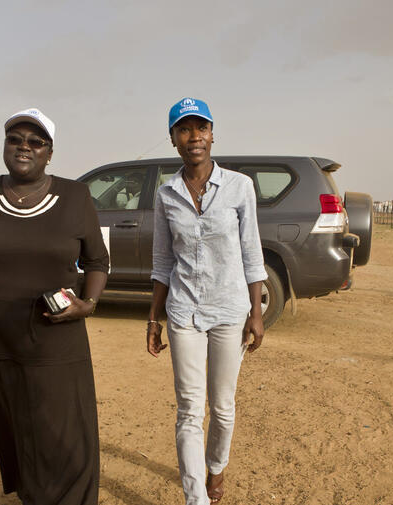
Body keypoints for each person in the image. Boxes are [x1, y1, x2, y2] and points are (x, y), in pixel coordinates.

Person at [0, 107, 109, 504]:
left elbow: (98, 262)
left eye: (36, 142)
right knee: (17, 423)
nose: (24, 147)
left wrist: (88, 303)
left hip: (57, 336)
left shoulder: (74, 195)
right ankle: (32, 495)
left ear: (49, 153)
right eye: (15, 139)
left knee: (63, 427)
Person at [146, 97, 267, 504]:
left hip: (230, 310)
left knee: (224, 407)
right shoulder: (166, 194)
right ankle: (196, 498)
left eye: (201, 128)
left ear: (212, 134)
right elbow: (162, 261)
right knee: (189, 410)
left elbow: (252, 252)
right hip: (184, 311)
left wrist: (257, 313)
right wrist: (153, 319)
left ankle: (216, 469)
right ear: (173, 139)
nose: (193, 136)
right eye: (184, 129)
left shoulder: (239, 187)